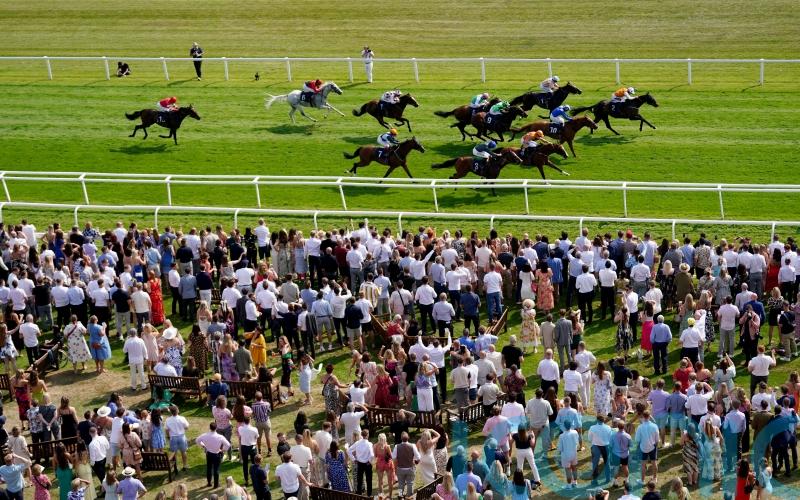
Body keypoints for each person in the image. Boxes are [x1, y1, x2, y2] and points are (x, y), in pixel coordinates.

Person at [196, 422, 230, 488]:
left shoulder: (205, 435)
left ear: (210, 428)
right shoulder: (220, 437)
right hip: (217, 454)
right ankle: (216, 485)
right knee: (216, 470)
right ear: (216, 428)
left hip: (208, 454)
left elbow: (197, 440)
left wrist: (203, 446)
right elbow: (228, 445)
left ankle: (209, 483)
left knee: (209, 468)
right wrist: (223, 450)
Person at [557, 420, 580, 489]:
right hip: (574, 453)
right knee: (574, 468)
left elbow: (560, 448)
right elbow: (577, 442)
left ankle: (569, 485)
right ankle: (575, 482)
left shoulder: (562, 436)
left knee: (568, 470)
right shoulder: (575, 432)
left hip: (565, 455)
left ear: (564, 426)